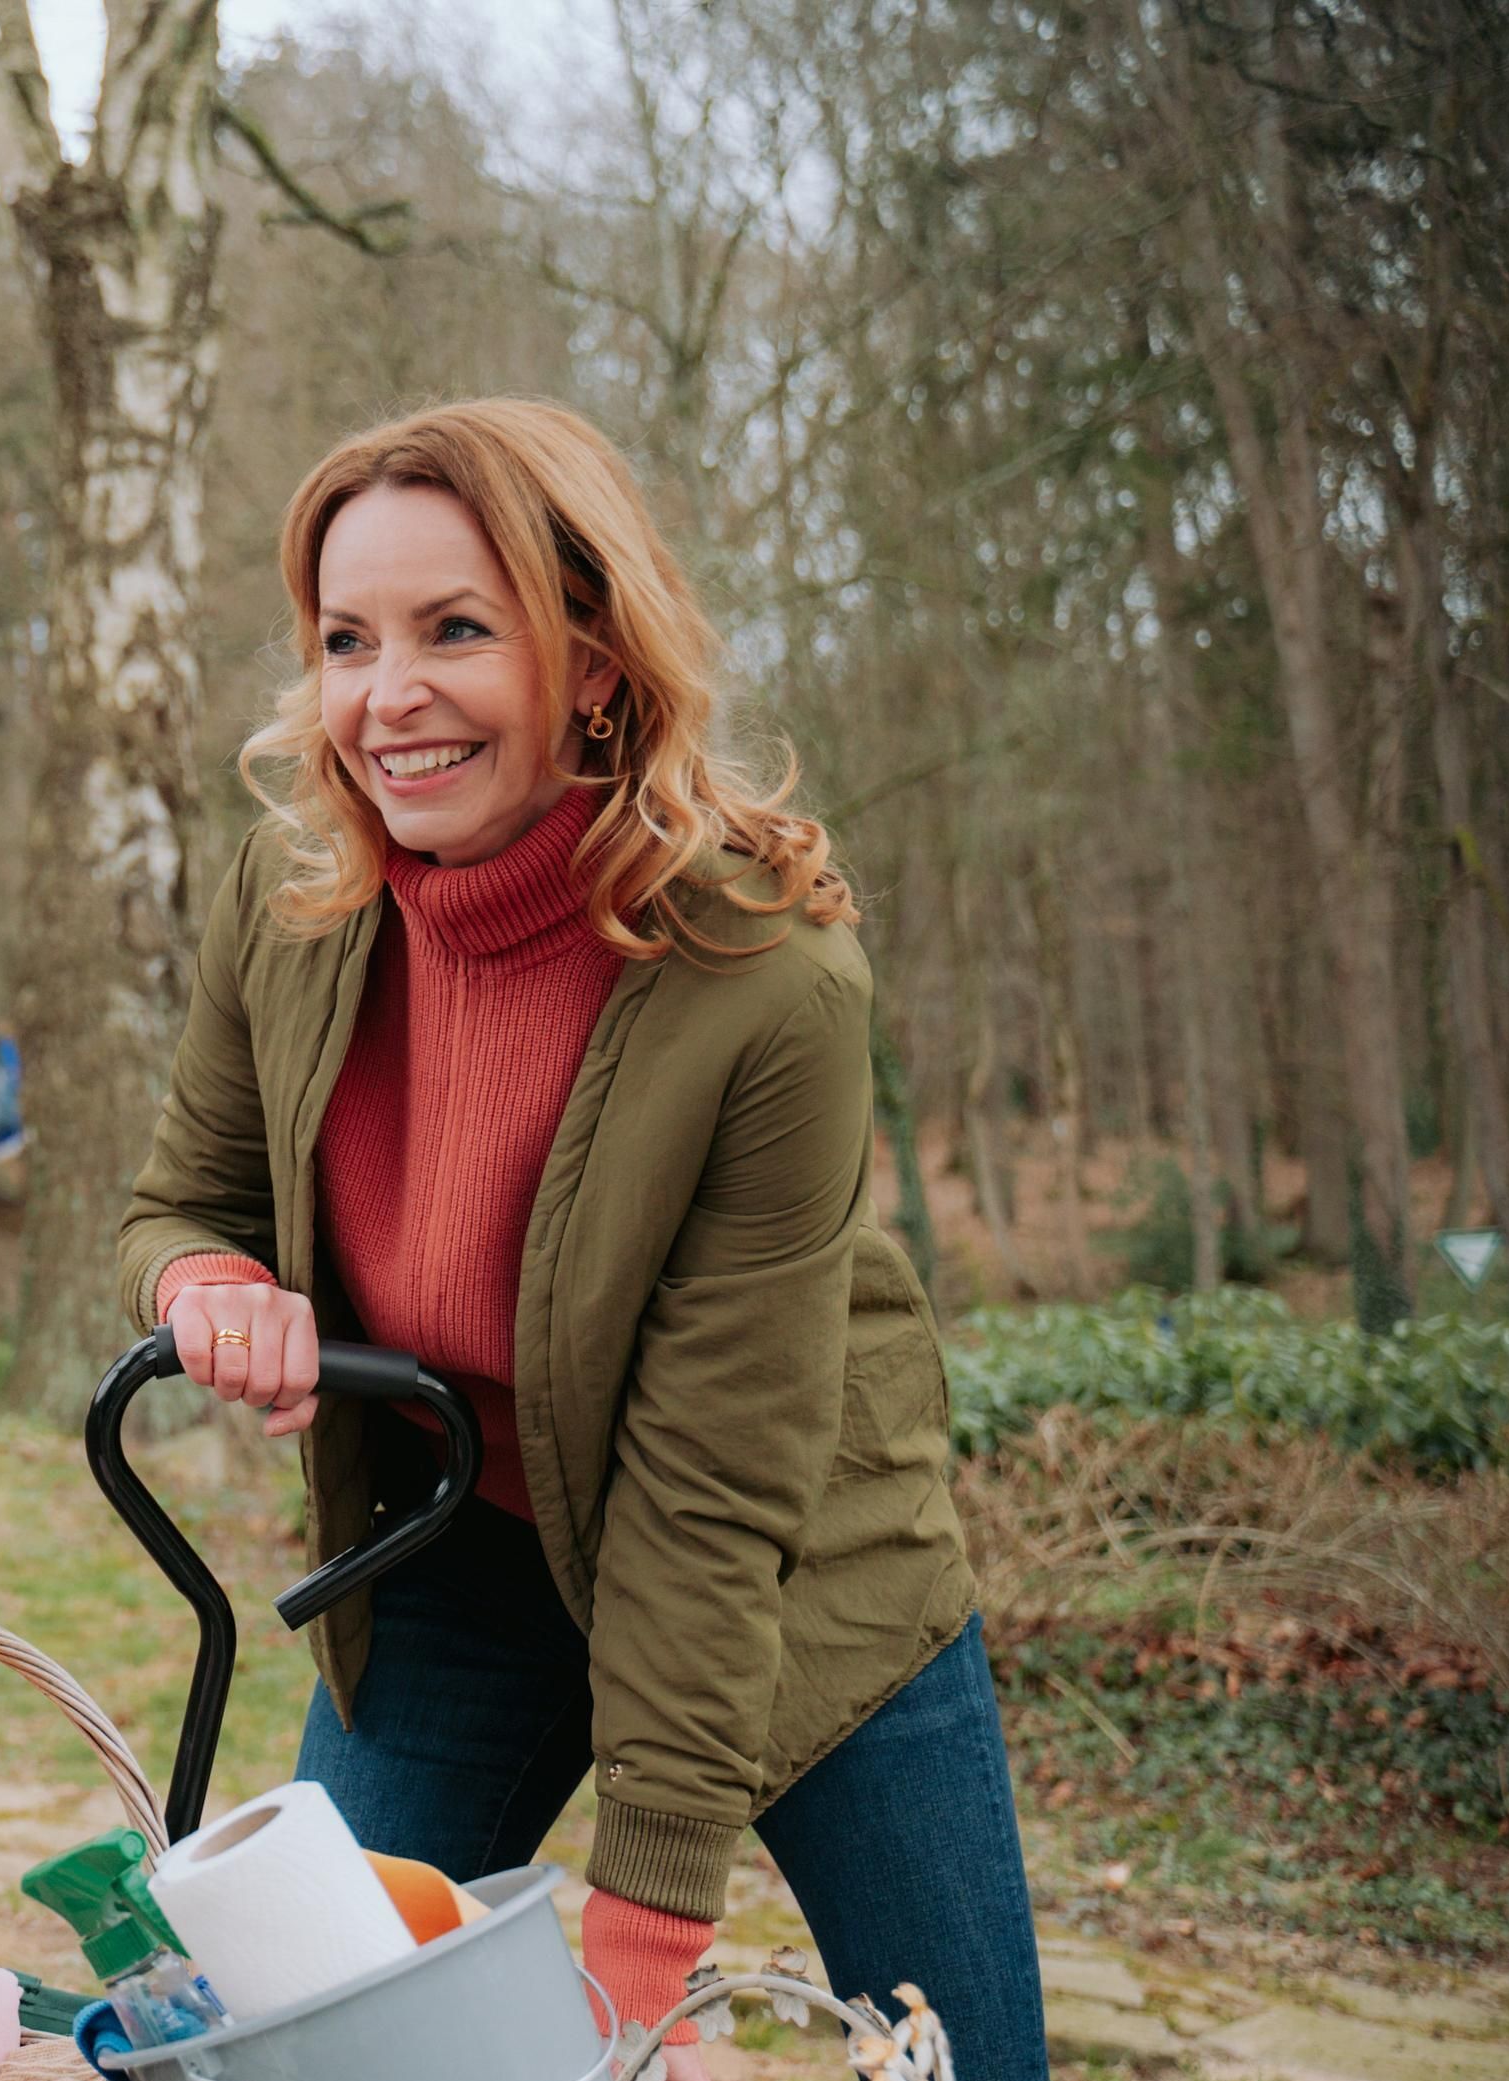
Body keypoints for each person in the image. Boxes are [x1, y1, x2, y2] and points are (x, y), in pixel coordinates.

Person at [118, 399, 1045, 2077]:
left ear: (598, 660)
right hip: (464, 1534)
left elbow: (712, 1495)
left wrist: (644, 1936)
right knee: (326, 2048)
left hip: (793, 1563)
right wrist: (213, 1281)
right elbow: (184, 1198)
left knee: (967, 2062)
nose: (387, 695)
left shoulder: (763, 979)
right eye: (346, 639)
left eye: (456, 630)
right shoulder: (290, 902)